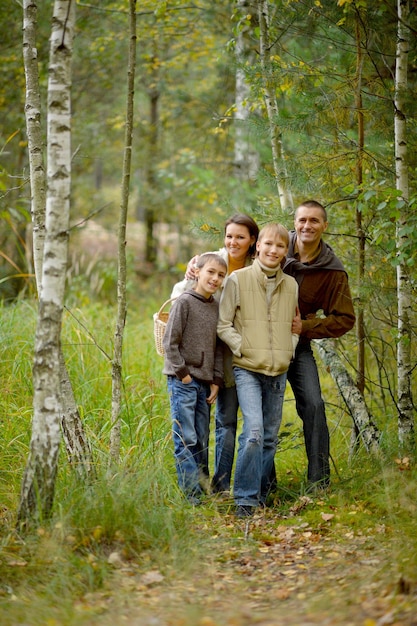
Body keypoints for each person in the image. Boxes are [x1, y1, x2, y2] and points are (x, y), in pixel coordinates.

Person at [171, 214, 259, 495]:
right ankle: (199, 489)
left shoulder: (255, 269)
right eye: (229, 235)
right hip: (197, 364)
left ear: (252, 241)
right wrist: (193, 274)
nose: (233, 242)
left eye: (241, 237)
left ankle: (220, 486)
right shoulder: (210, 263)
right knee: (197, 430)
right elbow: (180, 304)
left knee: (226, 423)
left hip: (231, 359)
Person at [217, 223, 299, 517]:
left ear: (285, 251)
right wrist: (243, 347)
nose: (273, 250)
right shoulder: (237, 280)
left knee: (268, 437)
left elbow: (294, 325)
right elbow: (223, 324)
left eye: (280, 246)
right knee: (252, 431)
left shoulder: (291, 285)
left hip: (278, 371)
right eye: (268, 244)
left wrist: (289, 349)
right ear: (258, 246)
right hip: (248, 369)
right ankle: (245, 499)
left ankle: (262, 494)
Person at [281, 200, 356, 489]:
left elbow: (345, 318)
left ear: (325, 226)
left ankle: (318, 484)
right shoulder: (275, 243)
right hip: (258, 345)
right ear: (294, 222)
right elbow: (237, 251)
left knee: (313, 405)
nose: (307, 226)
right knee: (261, 413)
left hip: (297, 347)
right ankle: (260, 485)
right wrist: (200, 265)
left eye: (314, 221)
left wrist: (307, 327)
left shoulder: (332, 271)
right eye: (302, 220)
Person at [162, 253, 227, 505]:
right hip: (183, 382)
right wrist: (183, 374)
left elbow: (219, 347)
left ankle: (203, 489)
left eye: (220, 275)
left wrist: (217, 380)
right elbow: (170, 341)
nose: (215, 278)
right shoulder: (184, 302)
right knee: (185, 439)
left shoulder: (216, 307)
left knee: (201, 438)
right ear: (197, 271)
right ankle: (192, 497)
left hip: (205, 383)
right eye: (210, 272)